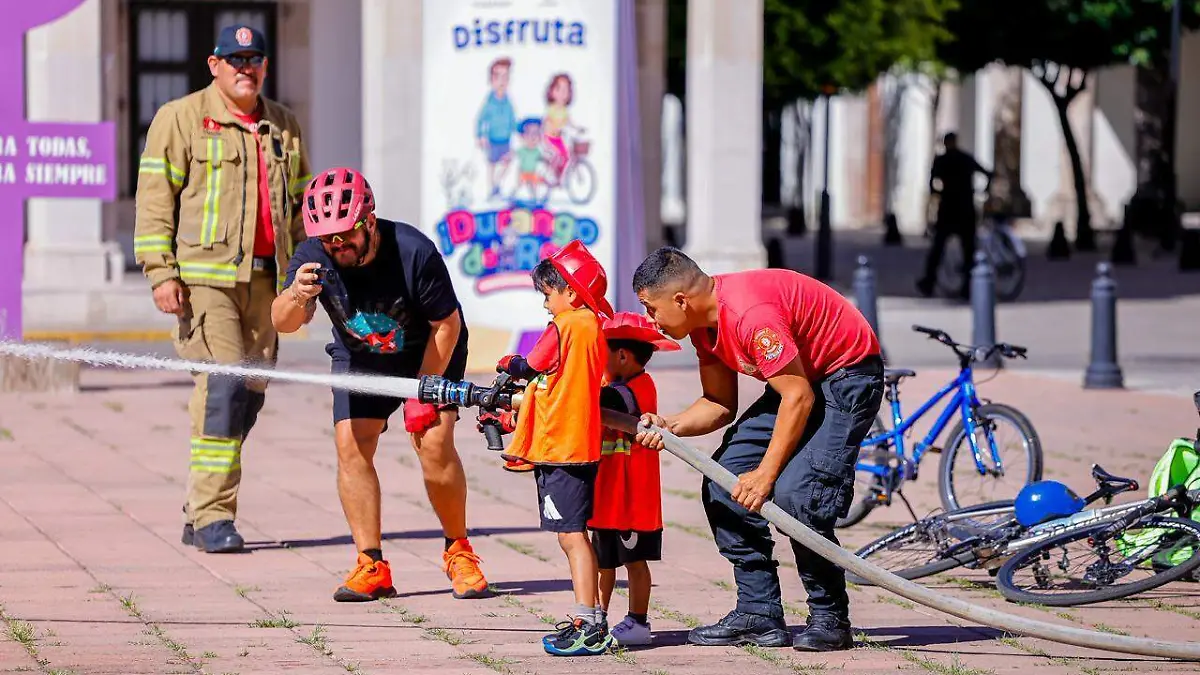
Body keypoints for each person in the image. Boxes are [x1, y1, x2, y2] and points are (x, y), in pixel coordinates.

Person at [631, 247, 884, 653]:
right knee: (722, 483)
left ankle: (830, 618)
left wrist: (767, 474)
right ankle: (758, 613)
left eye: (650, 308)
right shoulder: (702, 327)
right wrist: (669, 424)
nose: (651, 321)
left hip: (846, 375)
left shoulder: (751, 317)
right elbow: (718, 404)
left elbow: (798, 397)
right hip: (798, 382)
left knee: (800, 497)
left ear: (680, 300)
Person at [271, 167, 490, 603]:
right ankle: (371, 564)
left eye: (345, 235)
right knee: (351, 445)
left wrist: (423, 389)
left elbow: (446, 324)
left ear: (368, 221)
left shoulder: (413, 251)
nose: (336, 246)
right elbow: (283, 321)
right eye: (328, 238)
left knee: (433, 442)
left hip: (428, 350)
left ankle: (458, 550)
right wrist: (297, 293)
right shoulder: (312, 256)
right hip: (361, 357)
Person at [134, 24, 311, 554]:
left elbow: (303, 210)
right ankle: (214, 517)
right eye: (234, 59)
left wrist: (308, 272)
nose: (245, 67)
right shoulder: (180, 118)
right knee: (223, 391)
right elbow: (154, 200)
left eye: (254, 58)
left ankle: (197, 508)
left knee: (247, 398)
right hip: (205, 279)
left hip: (267, 282)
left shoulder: (283, 126)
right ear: (214, 65)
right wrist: (160, 272)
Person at [494, 240, 613, 656]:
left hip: (561, 447)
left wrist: (509, 363)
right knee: (575, 534)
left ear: (571, 292)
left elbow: (532, 364)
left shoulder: (565, 326)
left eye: (548, 295)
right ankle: (593, 618)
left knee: (571, 536)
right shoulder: (592, 327)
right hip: (579, 443)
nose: (546, 305)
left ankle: (587, 623)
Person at [590, 311, 679, 647]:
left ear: (622, 355)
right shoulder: (615, 384)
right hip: (609, 497)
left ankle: (637, 621)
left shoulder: (635, 388)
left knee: (634, 562)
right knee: (603, 562)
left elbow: (606, 403)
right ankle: (597, 616)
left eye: (602, 352)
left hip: (632, 500)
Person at [917, 131, 993, 299]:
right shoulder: (966, 158)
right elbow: (988, 173)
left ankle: (929, 282)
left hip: (948, 210)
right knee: (968, 251)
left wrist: (940, 192)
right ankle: (968, 287)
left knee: (938, 249)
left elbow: (932, 186)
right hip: (966, 209)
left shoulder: (941, 161)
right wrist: (984, 191)